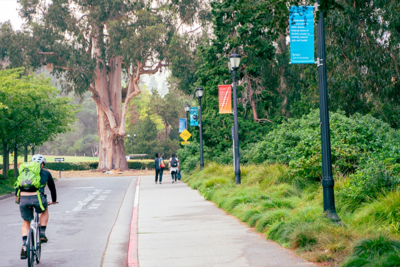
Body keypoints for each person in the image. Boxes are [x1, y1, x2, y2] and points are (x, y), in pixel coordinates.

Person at [16, 154, 57, 259]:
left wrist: (18, 198)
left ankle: (24, 245)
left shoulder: (25, 171)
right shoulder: (46, 172)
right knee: (44, 209)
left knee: (26, 222)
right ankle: (42, 233)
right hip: (38, 199)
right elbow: (52, 188)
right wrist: (53, 201)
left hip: (23, 199)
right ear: (42, 164)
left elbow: (18, 186)